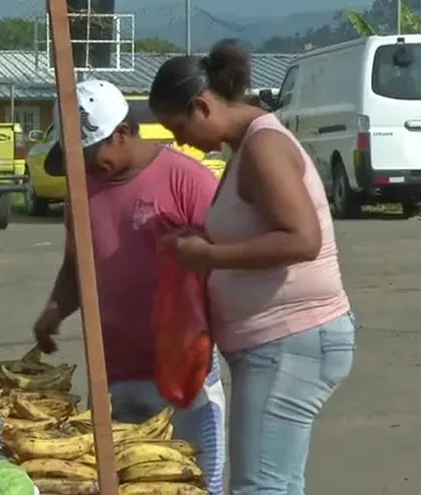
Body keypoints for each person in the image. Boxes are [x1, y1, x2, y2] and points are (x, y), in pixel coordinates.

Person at [149, 40, 356, 495]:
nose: (180, 142)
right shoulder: (245, 147)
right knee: (277, 483)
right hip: (279, 343)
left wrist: (209, 256)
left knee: (260, 487)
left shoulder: (264, 146)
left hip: (291, 340)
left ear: (202, 106)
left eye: (179, 128)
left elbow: (302, 239)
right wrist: (203, 240)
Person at [31, 79, 226, 494]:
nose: (85, 167)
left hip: (184, 375)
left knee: (195, 481)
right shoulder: (82, 191)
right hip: (114, 373)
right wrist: (54, 309)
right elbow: (77, 263)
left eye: (89, 156)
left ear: (121, 134)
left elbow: (227, 266)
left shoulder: (187, 180)